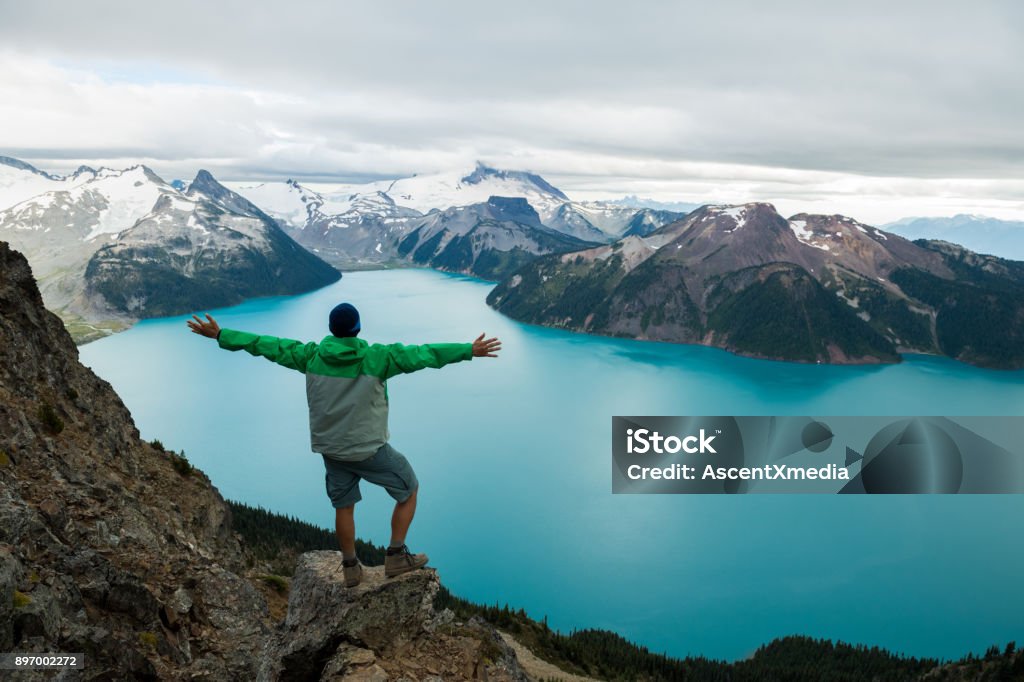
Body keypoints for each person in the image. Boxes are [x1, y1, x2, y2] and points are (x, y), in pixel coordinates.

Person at [187, 303, 501, 587]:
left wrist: (221, 334)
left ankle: (350, 566)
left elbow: (266, 345)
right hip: (369, 450)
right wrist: (468, 350)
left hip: (331, 450)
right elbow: (424, 354)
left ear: (332, 330)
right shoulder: (378, 357)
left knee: (343, 505)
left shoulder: (310, 355)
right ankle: (395, 555)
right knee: (410, 488)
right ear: (357, 329)